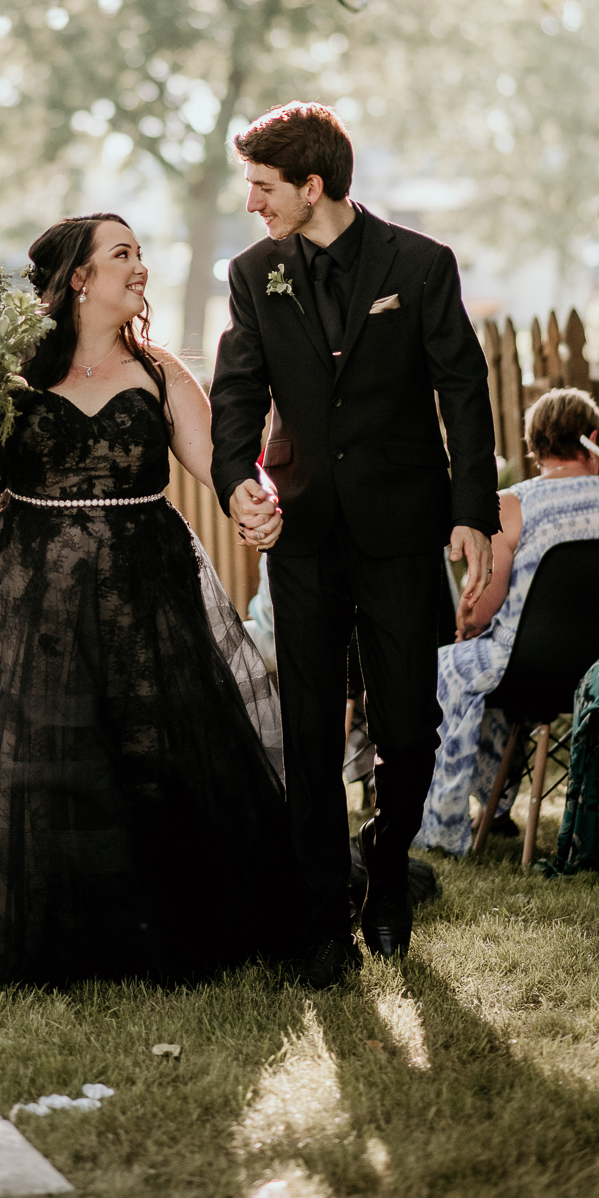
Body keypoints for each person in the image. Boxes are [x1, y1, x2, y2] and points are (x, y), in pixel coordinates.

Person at [0, 213, 291, 986]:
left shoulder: (162, 373)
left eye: (139, 254)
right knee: (40, 756)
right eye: (122, 255)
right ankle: (46, 916)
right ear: (78, 279)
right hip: (31, 594)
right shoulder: (9, 376)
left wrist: (253, 499)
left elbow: (218, 466)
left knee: (151, 753)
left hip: (144, 591)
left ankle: (163, 915)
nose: (139, 268)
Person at [210, 101, 498, 986]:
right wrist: (238, 484)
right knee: (305, 733)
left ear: (312, 185)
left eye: (263, 188)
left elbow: (463, 388)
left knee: (410, 732)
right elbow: (235, 397)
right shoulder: (254, 273)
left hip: (404, 533)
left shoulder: (419, 264)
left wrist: (472, 511)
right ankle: (321, 921)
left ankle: (386, 861)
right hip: (302, 534)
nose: (252, 203)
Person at [417, 388, 599, 854]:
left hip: (525, 667)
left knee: (449, 666)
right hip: (592, 676)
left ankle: (449, 821)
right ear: (593, 438)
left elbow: (483, 607)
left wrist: (466, 620)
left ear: (534, 447)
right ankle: (495, 809)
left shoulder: (514, 504)